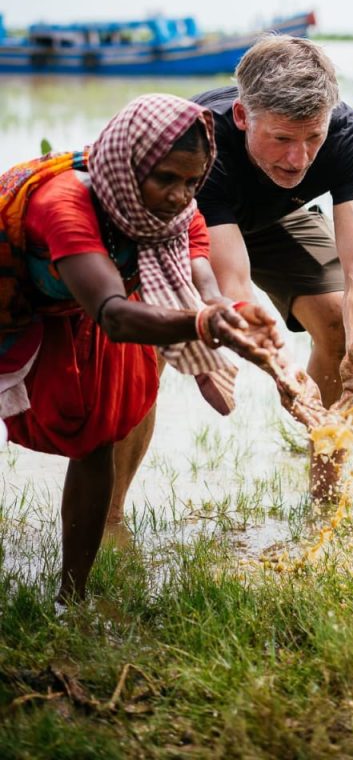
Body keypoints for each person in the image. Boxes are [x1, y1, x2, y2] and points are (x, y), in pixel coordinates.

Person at [0, 93, 286, 602]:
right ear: (127, 167)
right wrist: (204, 325)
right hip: (14, 300)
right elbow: (114, 313)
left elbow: (199, 266)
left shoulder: (172, 210)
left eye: (193, 181)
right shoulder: (63, 204)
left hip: (75, 309)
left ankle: (74, 596)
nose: (181, 195)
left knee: (97, 436)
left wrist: (226, 311)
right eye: (167, 179)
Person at [110, 35, 353, 507]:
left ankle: (327, 505)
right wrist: (279, 369)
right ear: (242, 117)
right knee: (147, 350)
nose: (299, 158)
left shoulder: (351, 139)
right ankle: (110, 516)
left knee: (341, 329)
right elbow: (232, 283)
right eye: (282, 138)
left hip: (278, 215)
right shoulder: (202, 143)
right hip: (190, 220)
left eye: (312, 138)